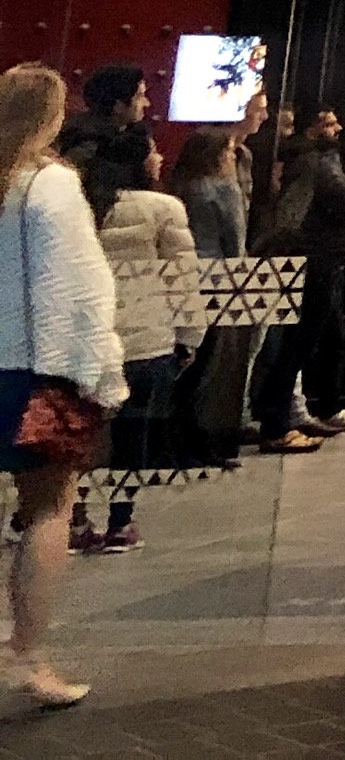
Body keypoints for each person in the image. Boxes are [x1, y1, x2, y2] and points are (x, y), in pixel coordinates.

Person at [0, 65, 116, 710]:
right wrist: (95, 374)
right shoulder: (50, 185)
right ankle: (28, 657)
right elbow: (79, 288)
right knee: (48, 509)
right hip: (32, 369)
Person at [75, 135, 200, 555]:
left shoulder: (81, 207)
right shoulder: (164, 208)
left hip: (87, 341)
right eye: (153, 150)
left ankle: (72, 518)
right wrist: (189, 338)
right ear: (140, 162)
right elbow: (182, 280)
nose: (160, 156)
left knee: (79, 436)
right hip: (147, 342)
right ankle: (121, 523)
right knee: (133, 436)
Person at [256, 107, 345, 443]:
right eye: (329, 123)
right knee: (299, 342)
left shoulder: (306, 160)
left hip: (315, 256)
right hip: (318, 258)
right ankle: (276, 422)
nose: (338, 128)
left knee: (315, 339)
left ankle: (290, 415)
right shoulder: (316, 161)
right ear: (314, 129)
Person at [164, 130, 259, 475]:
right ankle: (200, 445)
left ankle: (172, 443)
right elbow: (235, 242)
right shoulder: (224, 188)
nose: (234, 158)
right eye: (230, 152)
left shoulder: (181, 187)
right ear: (218, 156)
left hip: (182, 278)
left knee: (185, 365)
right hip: (217, 280)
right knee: (209, 370)